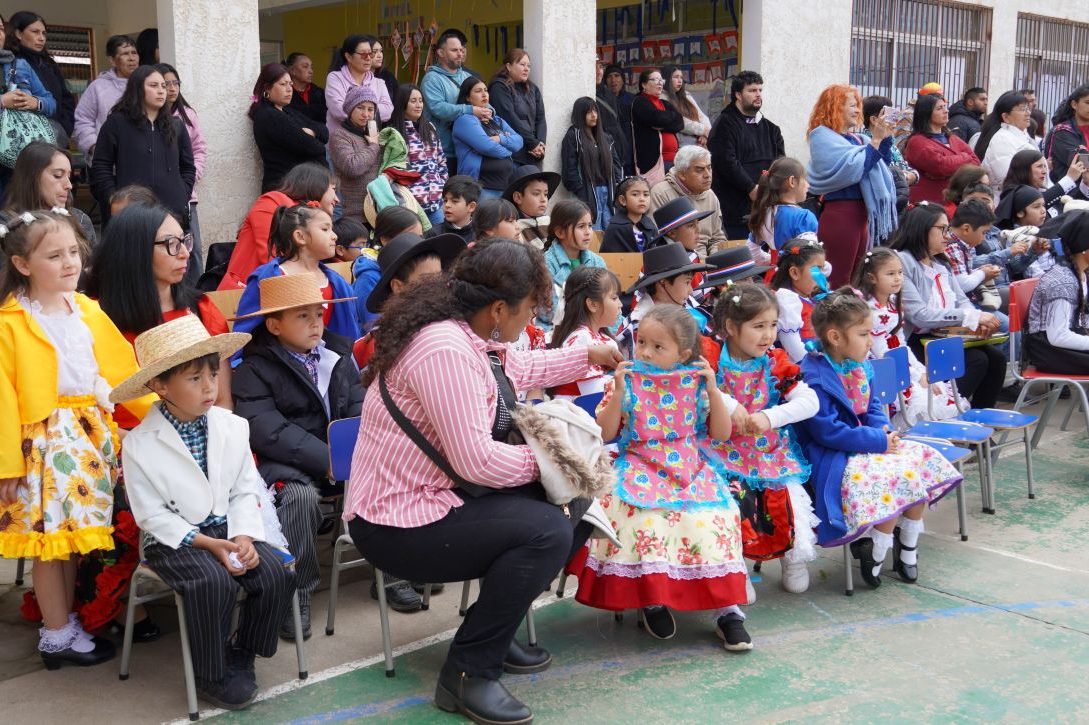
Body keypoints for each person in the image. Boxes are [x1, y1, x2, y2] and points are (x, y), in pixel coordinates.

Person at [344, 239, 622, 724]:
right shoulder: (444, 350)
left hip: (442, 499)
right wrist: (558, 462)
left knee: (572, 505)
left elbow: (526, 366)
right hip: (397, 522)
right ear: (499, 308)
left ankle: (492, 628)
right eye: (530, 310)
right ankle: (469, 673)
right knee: (548, 528)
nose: (531, 320)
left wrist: (592, 354)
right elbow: (477, 462)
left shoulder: (473, 336)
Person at [112, 316, 294, 710]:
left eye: (212, 374)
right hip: (174, 541)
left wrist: (245, 536)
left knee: (277, 572)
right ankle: (209, 674)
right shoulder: (141, 443)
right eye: (194, 379)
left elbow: (245, 487)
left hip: (230, 530)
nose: (210, 386)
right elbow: (152, 517)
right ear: (160, 385)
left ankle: (242, 651)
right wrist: (209, 543)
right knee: (215, 582)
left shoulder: (232, 426)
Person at [0, 210, 151, 669]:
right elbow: (2, 396)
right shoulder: (10, 321)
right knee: (51, 541)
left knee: (70, 541)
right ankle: (56, 632)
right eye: (54, 255)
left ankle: (65, 621)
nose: (69, 263)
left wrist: (158, 412)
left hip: (91, 435)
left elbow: (122, 369)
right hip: (43, 443)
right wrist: (7, 464)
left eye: (73, 252)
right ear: (23, 264)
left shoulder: (85, 308)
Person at [572, 303, 752, 649]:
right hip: (639, 464)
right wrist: (620, 393)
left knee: (716, 518)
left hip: (690, 467)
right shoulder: (624, 382)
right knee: (648, 520)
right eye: (642, 343)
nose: (645, 353)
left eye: (658, 347)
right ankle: (652, 598)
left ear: (683, 353)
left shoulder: (699, 383)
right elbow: (604, 433)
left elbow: (721, 433)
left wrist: (714, 392)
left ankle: (726, 610)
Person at [794, 290, 963, 588]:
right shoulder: (814, 376)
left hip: (867, 444)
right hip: (833, 454)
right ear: (835, 336)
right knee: (895, 476)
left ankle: (907, 543)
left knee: (919, 460)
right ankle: (879, 546)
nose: (870, 340)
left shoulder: (860, 364)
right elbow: (828, 432)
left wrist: (884, 432)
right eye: (863, 333)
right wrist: (877, 441)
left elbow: (872, 407)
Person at [231, 274, 362, 638]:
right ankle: (299, 591)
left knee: (383, 477)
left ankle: (394, 568)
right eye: (302, 316)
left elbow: (357, 403)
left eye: (318, 314)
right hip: (287, 462)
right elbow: (267, 429)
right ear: (273, 325)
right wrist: (327, 458)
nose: (315, 323)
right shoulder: (253, 369)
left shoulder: (339, 354)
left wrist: (353, 450)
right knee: (299, 498)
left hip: (339, 456)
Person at [702, 283, 819, 593]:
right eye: (758, 326)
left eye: (773, 326)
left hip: (767, 451)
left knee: (787, 499)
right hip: (721, 450)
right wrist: (729, 404)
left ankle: (793, 556)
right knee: (732, 505)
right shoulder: (710, 358)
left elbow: (810, 402)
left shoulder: (775, 361)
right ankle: (736, 566)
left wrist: (770, 418)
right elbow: (691, 387)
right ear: (730, 327)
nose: (768, 335)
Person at [86, 201, 232, 426]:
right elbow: (90, 418)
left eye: (184, 241)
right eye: (171, 244)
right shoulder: (94, 317)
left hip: (201, 439)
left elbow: (222, 402)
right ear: (136, 251)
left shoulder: (202, 309)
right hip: (123, 446)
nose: (184, 253)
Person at [890, 203, 1006, 408]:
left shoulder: (941, 263)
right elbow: (919, 315)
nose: (948, 235)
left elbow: (962, 299)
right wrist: (971, 317)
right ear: (922, 228)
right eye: (942, 229)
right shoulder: (903, 261)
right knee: (977, 360)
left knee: (996, 358)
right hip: (916, 341)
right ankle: (949, 414)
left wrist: (976, 318)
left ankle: (978, 425)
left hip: (943, 337)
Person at [855, 247, 966, 430]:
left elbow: (900, 342)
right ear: (871, 277)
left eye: (900, 272)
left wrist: (920, 370)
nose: (898, 278)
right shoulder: (870, 310)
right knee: (919, 399)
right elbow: (880, 350)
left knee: (937, 391)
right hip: (883, 369)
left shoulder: (892, 303)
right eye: (890, 273)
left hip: (899, 362)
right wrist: (914, 375)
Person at [806, 84, 897, 288]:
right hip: (841, 213)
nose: (858, 110)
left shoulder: (859, 138)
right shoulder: (821, 135)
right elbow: (855, 170)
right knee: (838, 279)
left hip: (861, 215)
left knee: (856, 278)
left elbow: (882, 163)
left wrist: (885, 137)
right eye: (852, 105)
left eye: (859, 106)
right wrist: (875, 140)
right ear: (835, 106)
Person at [233, 204, 359, 343]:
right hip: (279, 361)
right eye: (325, 229)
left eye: (332, 230)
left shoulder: (336, 281)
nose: (335, 236)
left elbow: (349, 334)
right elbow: (245, 332)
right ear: (300, 236)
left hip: (332, 359)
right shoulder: (269, 277)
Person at [90, 65, 195, 226]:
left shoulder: (176, 125)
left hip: (171, 212)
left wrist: (183, 193)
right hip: (130, 213)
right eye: (153, 86)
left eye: (163, 86)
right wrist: (112, 198)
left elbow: (188, 167)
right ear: (137, 88)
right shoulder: (117, 123)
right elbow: (101, 165)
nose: (161, 91)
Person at [353, 230, 466, 370]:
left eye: (440, 276)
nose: (439, 285)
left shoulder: (456, 324)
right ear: (398, 287)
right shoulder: (379, 344)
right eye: (428, 279)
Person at [220, 163, 336, 290]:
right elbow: (270, 255)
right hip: (244, 293)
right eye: (334, 190)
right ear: (316, 185)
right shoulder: (272, 201)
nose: (337, 199)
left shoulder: (310, 216)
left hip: (287, 288)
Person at [709, 70, 785, 239]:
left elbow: (781, 163)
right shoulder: (724, 125)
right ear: (738, 94)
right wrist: (751, 188)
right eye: (751, 91)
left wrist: (771, 188)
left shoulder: (772, 129)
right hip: (734, 213)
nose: (758, 95)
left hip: (767, 208)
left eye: (760, 90)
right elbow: (726, 162)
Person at [159, 62, 208, 285]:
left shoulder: (187, 114)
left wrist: (190, 178)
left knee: (193, 247)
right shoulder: (149, 118)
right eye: (165, 83)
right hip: (158, 194)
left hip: (187, 194)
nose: (171, 88)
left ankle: (196, 295)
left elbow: (199, 149)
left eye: (175, 83)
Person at [1025, 211, 1089, 374]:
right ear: (1084, 248)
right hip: (1049, 351)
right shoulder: (1063, 281)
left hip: (1066, 343)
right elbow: (1058, 336)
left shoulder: (1082, 274)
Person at [249, 63, 328, 194]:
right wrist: (311, 135)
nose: (289, 89)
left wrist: (312, 132)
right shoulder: (269, 115)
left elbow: (324, 131)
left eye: (290, 84)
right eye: (283, 84)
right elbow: (316, 148)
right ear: (267, 88)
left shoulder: (286, 111)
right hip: (284, 188)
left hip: (297, 187)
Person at [548, 266, 623, 400]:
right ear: (593, 304)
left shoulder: (606, 339)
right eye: (614, 298)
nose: (620, 304)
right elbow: (590, 390)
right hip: (575, 414)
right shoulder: (580, 338)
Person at [2, 141, 95, 245]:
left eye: (69, 177)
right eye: (58, 175)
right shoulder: (5, 226)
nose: (69, 185)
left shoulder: (81, 220)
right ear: (31, 178)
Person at [4, 11, 75, 147]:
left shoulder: (49, 64)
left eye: (43, 33)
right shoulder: (11, 62)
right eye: (35, 32)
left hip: (55, 137)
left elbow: (66, 100)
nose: (41, 38)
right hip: (18, 141)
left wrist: (64, 129)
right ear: (18, 34)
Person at [352, 205, 425, 331]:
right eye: (408, 237)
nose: (416, 243)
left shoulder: (414, 266)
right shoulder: (368, 277)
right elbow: (374, 328)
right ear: (385, 239)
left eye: (419, 237)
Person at [648, 145, 728, 259]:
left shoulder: (711, 195)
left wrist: (715, 259)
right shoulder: (661, 193)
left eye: (709, 168)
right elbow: (662, 240)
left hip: (708, 263)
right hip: (679, 263)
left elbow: (718, 238)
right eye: (699, 170)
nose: (707, 175)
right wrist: (702, 261)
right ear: (682, 174)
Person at [901, 93, 980, 205]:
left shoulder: (952, 137)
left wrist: (951, 165)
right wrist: (965, 157)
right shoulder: (917, 141)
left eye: (945, 107)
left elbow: (976, 161)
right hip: (928, 203)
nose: (946, 111)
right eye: (939, 108)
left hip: (952, 202)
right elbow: (940, 166)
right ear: (926, 113)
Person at [387, 84, 449, 226]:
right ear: (403, 103)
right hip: (411, 205)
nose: (418, 105)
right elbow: (394, 169)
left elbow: (441, 162)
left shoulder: (430, 128)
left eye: (420, 100)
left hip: (436, 203)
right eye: (413, 101)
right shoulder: (394, 132)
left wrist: (442, 188)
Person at [539, 199, 605, 331]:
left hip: (593, 329)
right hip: (556, 331)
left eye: (590, 225)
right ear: (560, 232)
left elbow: (607, 301)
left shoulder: (597, 262)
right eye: (581, 226)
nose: (588, 232)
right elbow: (546, 313)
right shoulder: (546, 264)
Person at [452, 76, 522, 199]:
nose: (484, 94)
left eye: (485, 90)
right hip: (481, 187)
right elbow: (487, 147)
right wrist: (508, 150)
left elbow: (519, 141)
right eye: (478, 91)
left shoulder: (496, 120)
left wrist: (500, 139)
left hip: (504, 185)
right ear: (468, 97)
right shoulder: (465, 120)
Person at [561, 96, 622, 230]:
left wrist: (617, 185)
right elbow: (569, 169)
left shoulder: (606, 138)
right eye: (589, 112)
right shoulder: (573, 136)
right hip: (587, 193)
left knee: (609, 234)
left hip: (608, 193)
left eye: (595, 111)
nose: (594, 115)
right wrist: (581, 191)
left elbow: (616, 164)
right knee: (591, 233)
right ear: (579, 114)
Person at [746, 156, 817, 268]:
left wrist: (774, 259)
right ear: (792, 181)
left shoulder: (764, 214)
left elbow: (751, 253)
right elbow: (810, 259)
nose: (808, 185)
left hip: (774, 278)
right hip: (797, 280)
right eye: (805, 179)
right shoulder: (803, 217)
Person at [73, 34, 138, 156]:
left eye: (134, 53)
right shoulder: (98, 87)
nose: (131, 58)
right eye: (125, 54)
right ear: (112, 60)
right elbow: (83, 120)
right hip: (107, 161)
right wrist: (94, 147)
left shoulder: (147, 85)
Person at [420, 29, 475, 173]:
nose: (460, 54)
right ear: (440, 53)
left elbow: (483, 100)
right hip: (442, 151)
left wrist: (489, 110)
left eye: (461, 50)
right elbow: (438, 108)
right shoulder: (431, 79)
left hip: (468, 150)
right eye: (454, 50)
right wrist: (470, 110)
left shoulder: (467, 77)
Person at [627, 241, 712, 331]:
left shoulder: (682, 305)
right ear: (662, 282)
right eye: (687, 282)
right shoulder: (639, 327)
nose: (691, 291)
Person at [771, 236, 828, 363]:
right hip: (802, 368)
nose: (822, 275)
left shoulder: (810, 298)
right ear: (795, 273)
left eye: (823, 269)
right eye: (817, 269)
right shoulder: (787, 300)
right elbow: (795, 350)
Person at [328, 85, 381, 222]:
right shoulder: (340, 136)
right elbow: (352, 167)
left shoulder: (373, 135)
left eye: (370, 110)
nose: (366, 114)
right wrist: (374, 146)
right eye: (360, 108)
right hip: (353, 215)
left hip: (377, 212)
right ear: (350, 109)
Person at [488, 48, 546, 168]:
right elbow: (510, 118)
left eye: (528, 66)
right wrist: (532, 143)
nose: (526, 69)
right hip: (513, 154)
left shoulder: (533, 89)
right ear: (509, 66)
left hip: (533, 153)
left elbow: (540, 119)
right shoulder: (499, 87)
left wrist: (540, 144)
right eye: (522, 64)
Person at [325, 34, 393, 134]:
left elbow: (388, 111)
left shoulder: (379, 83)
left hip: (370, 144)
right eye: (363, 54)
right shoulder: (335, 78)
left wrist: (357, 110)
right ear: (348, 57)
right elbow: (338, 110)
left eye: (371, 54)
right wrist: (371, 112)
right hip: (340, 143)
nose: (368, 58)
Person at [946, 199, 1004, 314]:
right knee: (1006, 325)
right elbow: (962, 285)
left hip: (967, 302)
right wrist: (982, 273)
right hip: (957, 307)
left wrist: (980, 271)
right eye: (983, 233)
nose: (983, 239)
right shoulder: (953, 247)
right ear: (966, 229)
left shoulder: (965, 246)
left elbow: (963, 275)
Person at [974, 91, 1036, 194]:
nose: (1028, 113)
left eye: (1027, 108)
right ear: (1006, 117)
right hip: (1010, 198)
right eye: (1022, 109)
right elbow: (1007, 178)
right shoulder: (1002, 140)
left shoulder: (1022, 135)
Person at [630, 69, 684, 182]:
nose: (660, 83)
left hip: (673, 160)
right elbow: (655, 118)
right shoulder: (639, 101)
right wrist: (668, 119)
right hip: (654, 161)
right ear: (644, 84)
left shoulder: (665, 103)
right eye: (655, 79)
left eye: (661, 79)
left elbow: (680, 123)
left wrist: (663, 125)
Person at [1004, 147, 1088, 217]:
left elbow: (1072, 203)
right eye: (1039, 166)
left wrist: (1086, 182)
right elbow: (1035, 201)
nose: (1044, 171)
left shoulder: (1044, 191)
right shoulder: (1013, 192)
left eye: (1045, 166)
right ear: (1024, 170)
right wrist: (1069, 178)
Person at [994, 184, 1055, 278]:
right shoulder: (1015, 237)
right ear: (1020, 212)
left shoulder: (1043, 231)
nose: (1043, 210)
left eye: (1043, 205)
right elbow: (1033, 274)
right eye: (1036, 207)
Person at [502, 165, 558, 248]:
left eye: (546, 194)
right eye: (536, 194)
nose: (543, 199)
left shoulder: (549, 222)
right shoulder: (514, 229)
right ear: (518, 197)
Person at [1044, 84, 1089, 186]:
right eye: (1087, 103)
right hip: (1070, 195)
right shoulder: (1062, 131)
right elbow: (1081, 160)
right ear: (1074, 104)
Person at [601, 175, 657, 253]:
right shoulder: (615, 228)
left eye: (646, 194)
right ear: (623, 200)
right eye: (635, 194)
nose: (642, 199)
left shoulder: (650, 226)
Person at [596, 63, 632, 178]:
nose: (613, 80)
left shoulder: (631, 99)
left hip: (626, 147)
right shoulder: (600, 96)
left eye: (617, 76)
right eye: (609, 76)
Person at [661, 64, 711, 148]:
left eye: (681, 77)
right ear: (667, 79)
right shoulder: (663, 97)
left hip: (698, 144)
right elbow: (680, 121)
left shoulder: (686, 95)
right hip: (679, 145)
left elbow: (701, 116)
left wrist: (706, 134)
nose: (680, 80)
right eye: (676, 77)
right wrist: (702, 130)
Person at [426, 174, 479, 243]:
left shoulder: (480, 235)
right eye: (445, 200)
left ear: (471, 207)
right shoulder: (434, 234)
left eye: (455, 201)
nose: (447, 205)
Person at [285, 52, 327, 125]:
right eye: (305, 66)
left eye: (311, 67)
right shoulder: (284, 94)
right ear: (292, 70)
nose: (311, 71)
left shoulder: (320, 93)